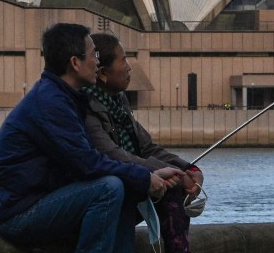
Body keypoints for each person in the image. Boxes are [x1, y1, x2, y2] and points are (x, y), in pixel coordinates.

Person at [0, 22, 183, 253]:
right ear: (75, 63)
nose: (97, 62)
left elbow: (89, 163)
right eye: (92, 55)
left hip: (39, 200)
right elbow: (88, 164)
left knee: (124, 187)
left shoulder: (63, 97)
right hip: (17, 213)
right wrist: (145, 177)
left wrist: (147, 176)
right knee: (109, 188)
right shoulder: (51, 103)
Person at [84, 32, 204, 253]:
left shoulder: (117, 100)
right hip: (110, 191)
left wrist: (187, 167)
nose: (129, 67)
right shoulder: (86, 105)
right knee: (170, 188)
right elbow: (113, 154)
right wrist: (173, 174)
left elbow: (146, 147)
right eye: (124, 60)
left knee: (173, 187)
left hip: (130, 181)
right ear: (102, 73)